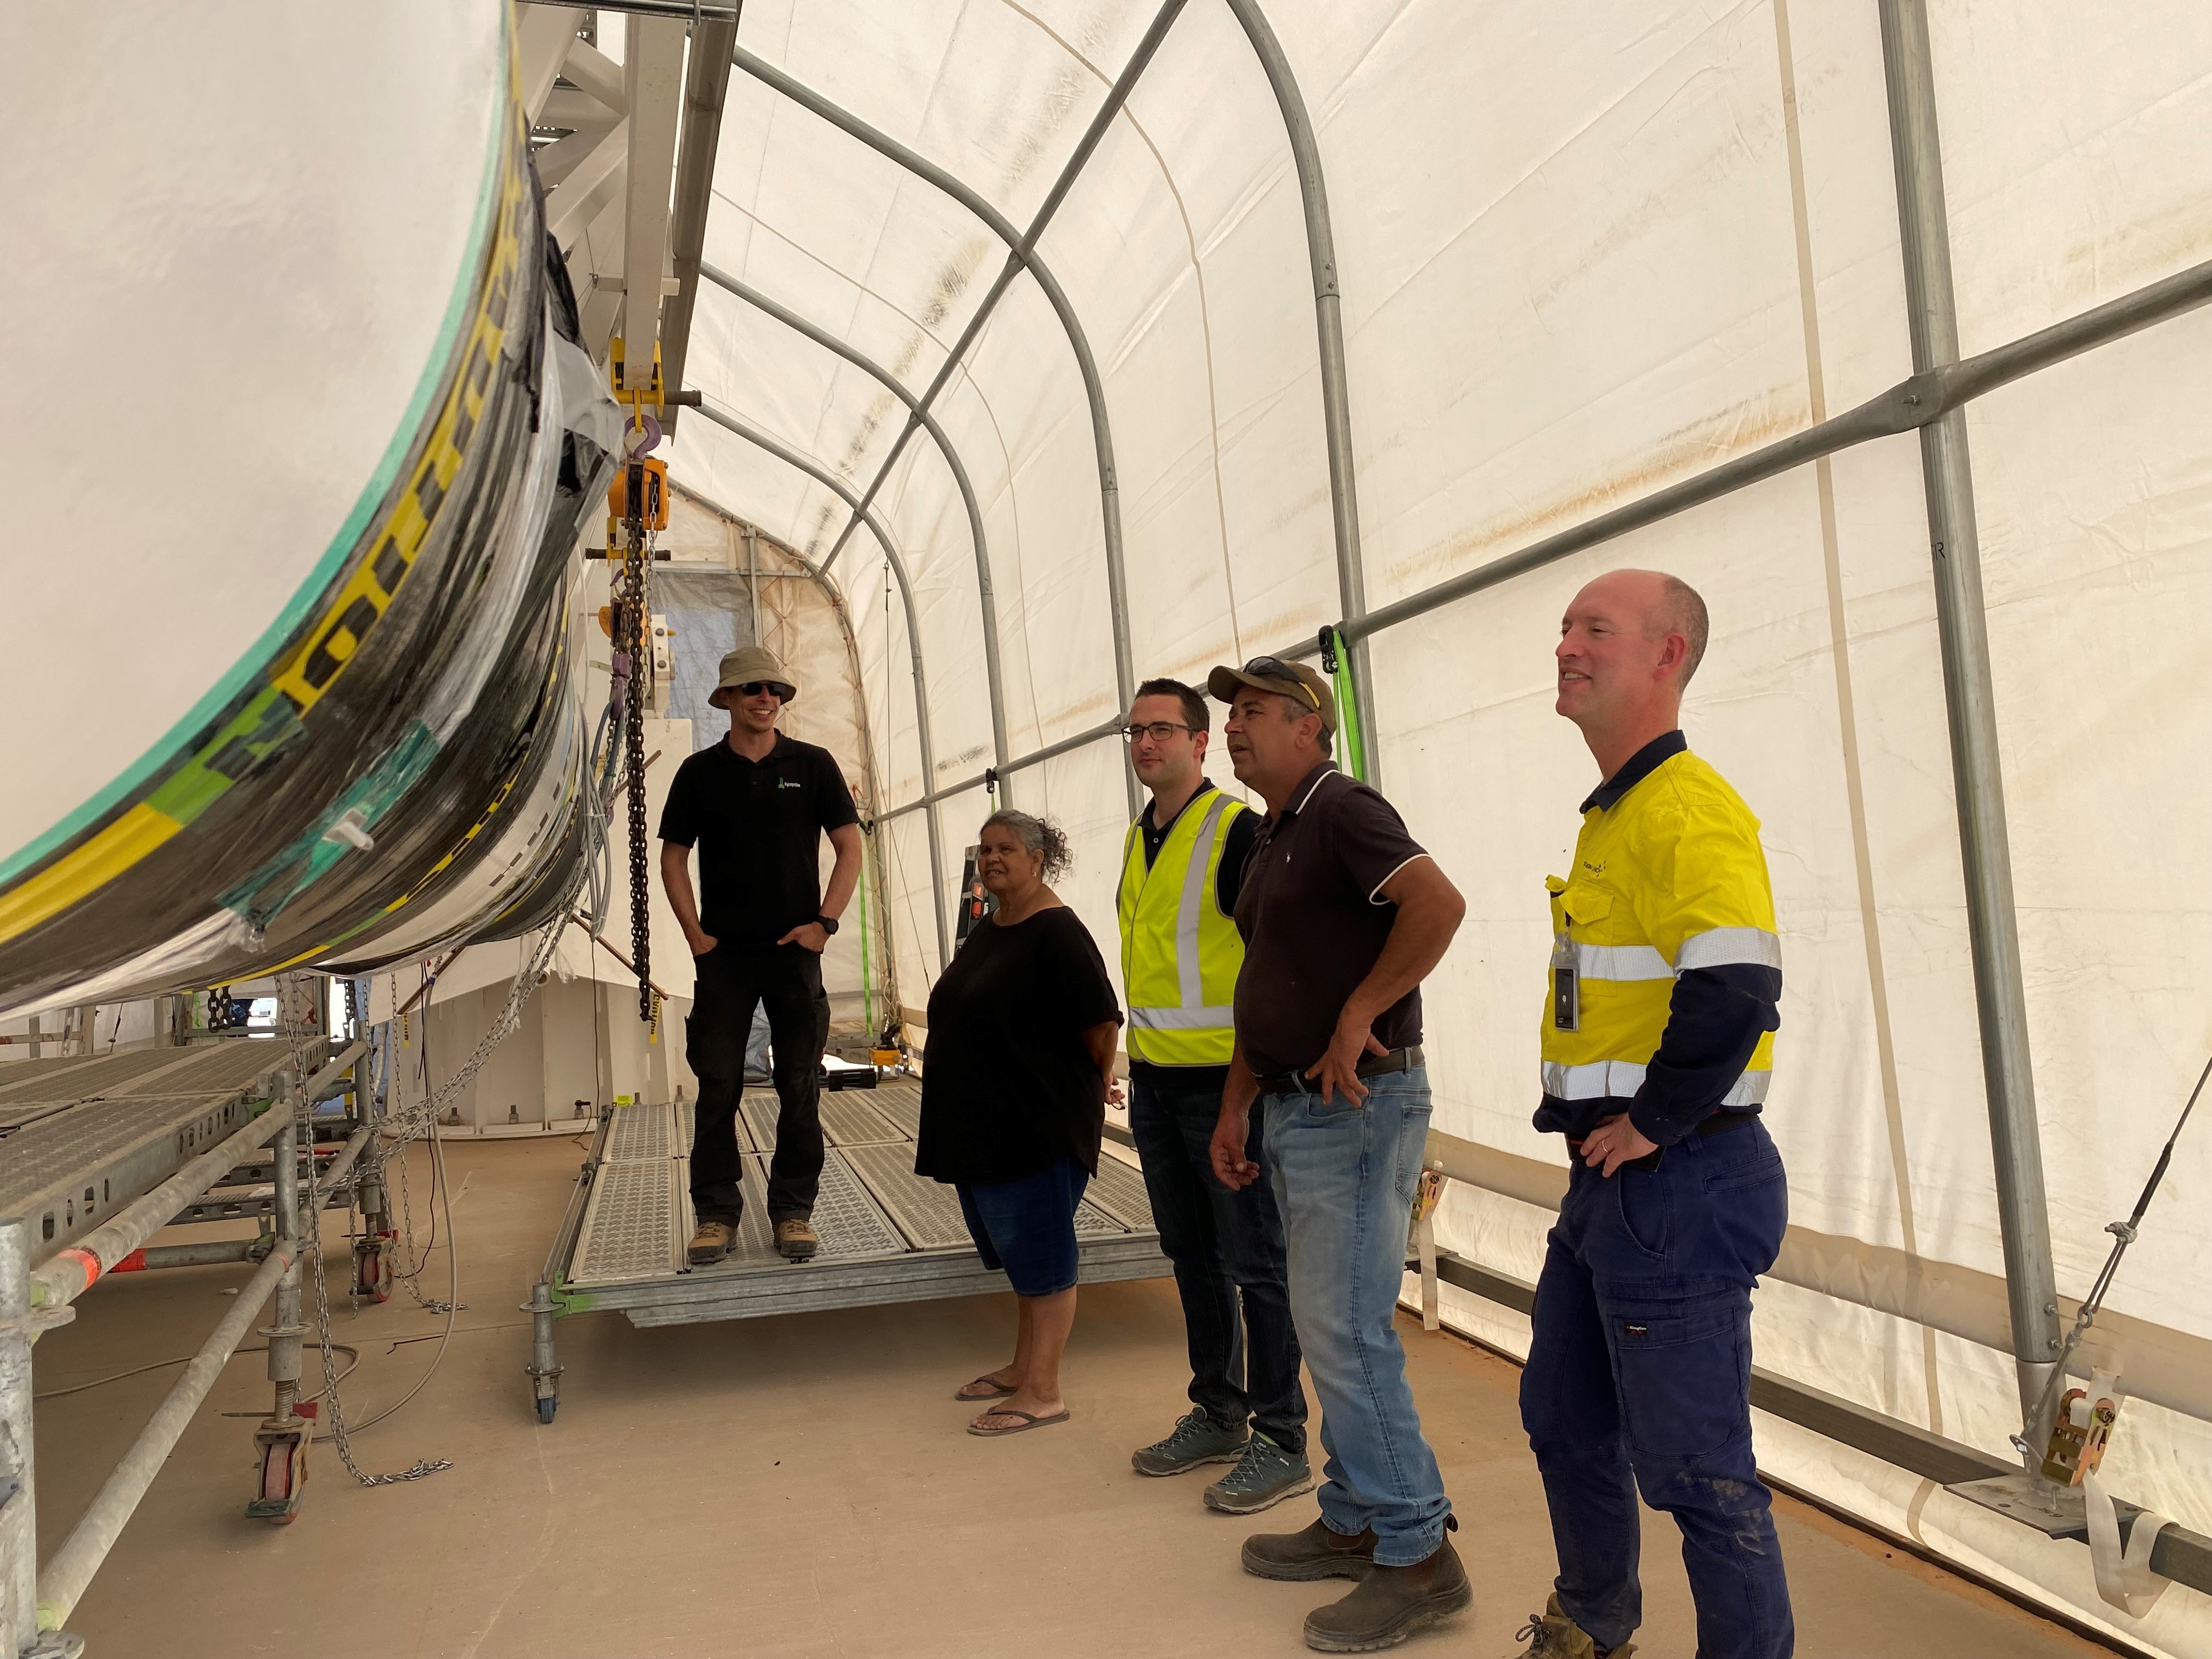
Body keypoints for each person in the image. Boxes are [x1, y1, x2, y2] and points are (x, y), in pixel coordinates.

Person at [1514, 570, 1791, 1659]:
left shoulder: (1686, 807)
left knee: (1698, 1473)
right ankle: (1593, 1622)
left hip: (1677, 1180)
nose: (1567, 647)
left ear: (1667, 654)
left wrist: (1656, 1122)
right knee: (1565, 1417)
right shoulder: (1618, 814)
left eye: (1596, 630)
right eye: (1566, 629)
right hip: (1615, 1185)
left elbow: (1736, 987)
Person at [1205, 658, 1472, 1655]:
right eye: (1229, 714)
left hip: (1354, 1103)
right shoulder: (1276, 831)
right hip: (1292, 1107)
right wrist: (1236, 1104)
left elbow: (1436, 903)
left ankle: (1416, 1550)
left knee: (1348, 1332)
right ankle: (1356, 1512)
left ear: (1308, 723)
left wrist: (1362, 1008)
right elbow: (1266, 982)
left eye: (1255, 712)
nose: (1234, 726)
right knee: (1331, 1329)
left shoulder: (1342, 807)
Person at [1115, 677, 1310, 1513]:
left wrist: (1251, 1081)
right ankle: (1218, 1411)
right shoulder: (1142, 835)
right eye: (1135, 731)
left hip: (1228, 1083)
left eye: (1162, 728)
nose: (1145, 742)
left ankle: (1282, 1436)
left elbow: (1271, 958)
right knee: (1190, 1257)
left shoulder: (1234, 830)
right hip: (1158, 1081)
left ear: (1200, 743)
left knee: (1255, 1263)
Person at [915, 810, 1123, 1436]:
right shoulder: (996, 925)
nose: (992, 859)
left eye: (1007, 849)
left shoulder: (1057, 931)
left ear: (1039, 859)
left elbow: (1101, 1024)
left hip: (1036, 1127)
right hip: (987, 1128)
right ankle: (1021, 1367)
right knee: (1022, 1257)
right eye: (984, 850)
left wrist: (1091, 1084)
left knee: (1044, 1258)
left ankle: (1043, 1392)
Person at [659, 645, 862, 1265]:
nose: (765, 698)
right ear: (727, 699)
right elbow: (672, 857)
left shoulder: (815, 765)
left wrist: (825, 923)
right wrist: (696, 937)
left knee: (799, 1083)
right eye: (751, 690)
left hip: (794, 953)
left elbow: (850, 848)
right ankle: (716, 1214)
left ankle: (793, 1211)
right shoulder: (699, 773)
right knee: (718, 1086)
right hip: (724, 957)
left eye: (773, 689)